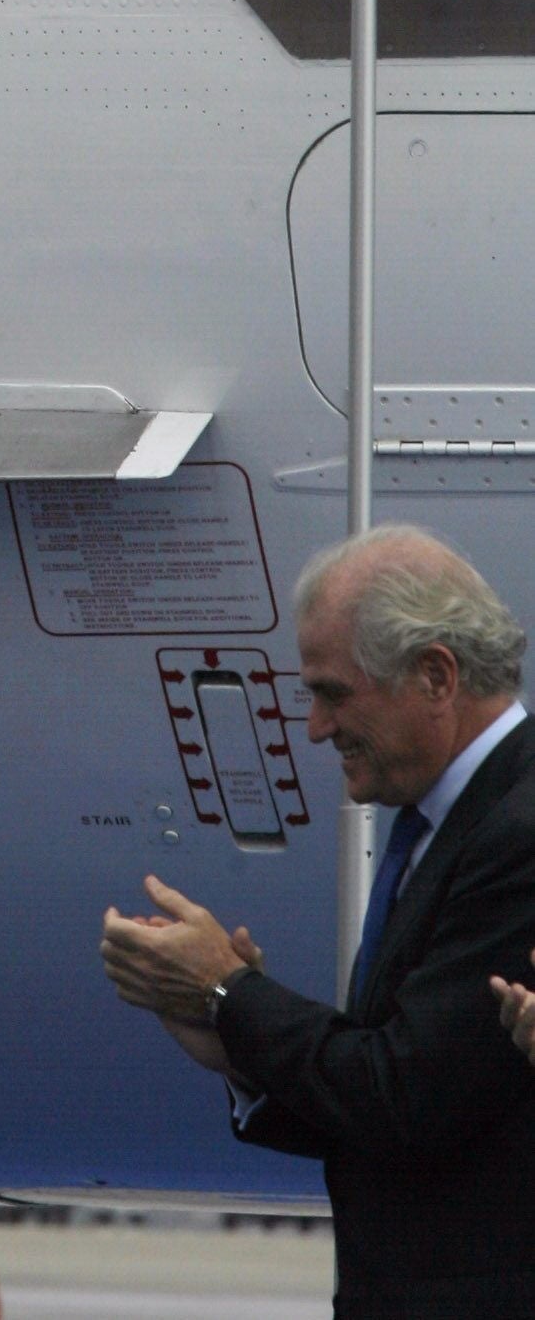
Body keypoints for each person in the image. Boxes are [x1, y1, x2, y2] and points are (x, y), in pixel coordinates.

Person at [97, 524, 535, 1317]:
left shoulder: (517, 830)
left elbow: (406, 1098)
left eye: (332, 692)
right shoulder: (448, 822)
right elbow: (396, 1109)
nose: (315, 726)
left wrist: (228, 991)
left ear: (435, 675)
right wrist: (229, 1039)